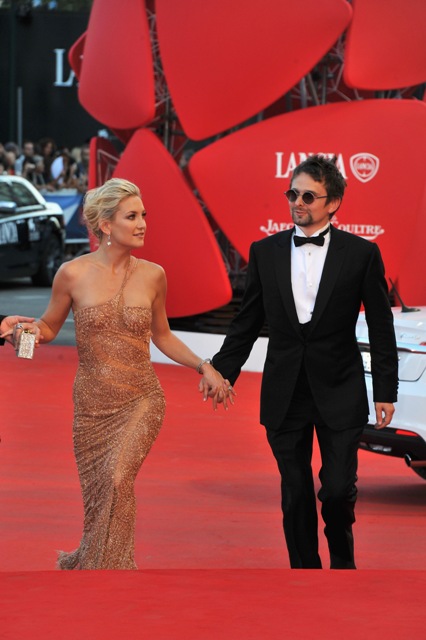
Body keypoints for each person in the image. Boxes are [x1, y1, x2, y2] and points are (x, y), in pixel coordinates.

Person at [32, 177, 233, 570]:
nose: (142, 224)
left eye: (143, 215)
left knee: (119, 477)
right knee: (100, 492)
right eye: (132, 216)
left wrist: (204, 366)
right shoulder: (71, 274)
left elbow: (162, 335)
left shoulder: (154, 275)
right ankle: (96, 565)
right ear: (106, 225)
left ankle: (115, 571)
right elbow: (49, 327)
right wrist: (22, 331)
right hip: (91, 405)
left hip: (141, 398)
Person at [209, 155, 398, 570]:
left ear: (334, 203)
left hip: (340, 390)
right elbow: (247, 321)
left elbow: (381, 327)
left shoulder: (362, 254)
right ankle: (304, 572)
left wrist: (386, 390)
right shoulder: (265, 252)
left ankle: (342, 562)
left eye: (308, 196)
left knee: (336, 490)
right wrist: (221, 371)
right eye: (292, 193)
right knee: (295, 490)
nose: (297, 202)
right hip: (285, 391)